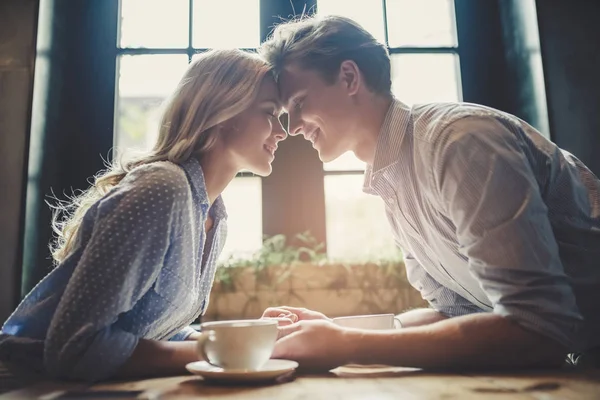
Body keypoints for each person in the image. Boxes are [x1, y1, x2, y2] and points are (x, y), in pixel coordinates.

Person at [259, 15, 600, 370]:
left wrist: (348, 345)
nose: (294, 127)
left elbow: (538, 329)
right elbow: (460, 313)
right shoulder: (393, 179)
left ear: (348, 78)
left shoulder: (459, 144)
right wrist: (334, 331)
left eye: (298, 103)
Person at [0, 49, 286, 388]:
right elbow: (74, 348)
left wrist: (247, 340)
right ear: (224, 111)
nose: (283, 131)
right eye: (270, 113)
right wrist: (215, 353)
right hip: (27, 388)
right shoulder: (162, 189)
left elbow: (147, 329)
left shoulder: (214, 216)